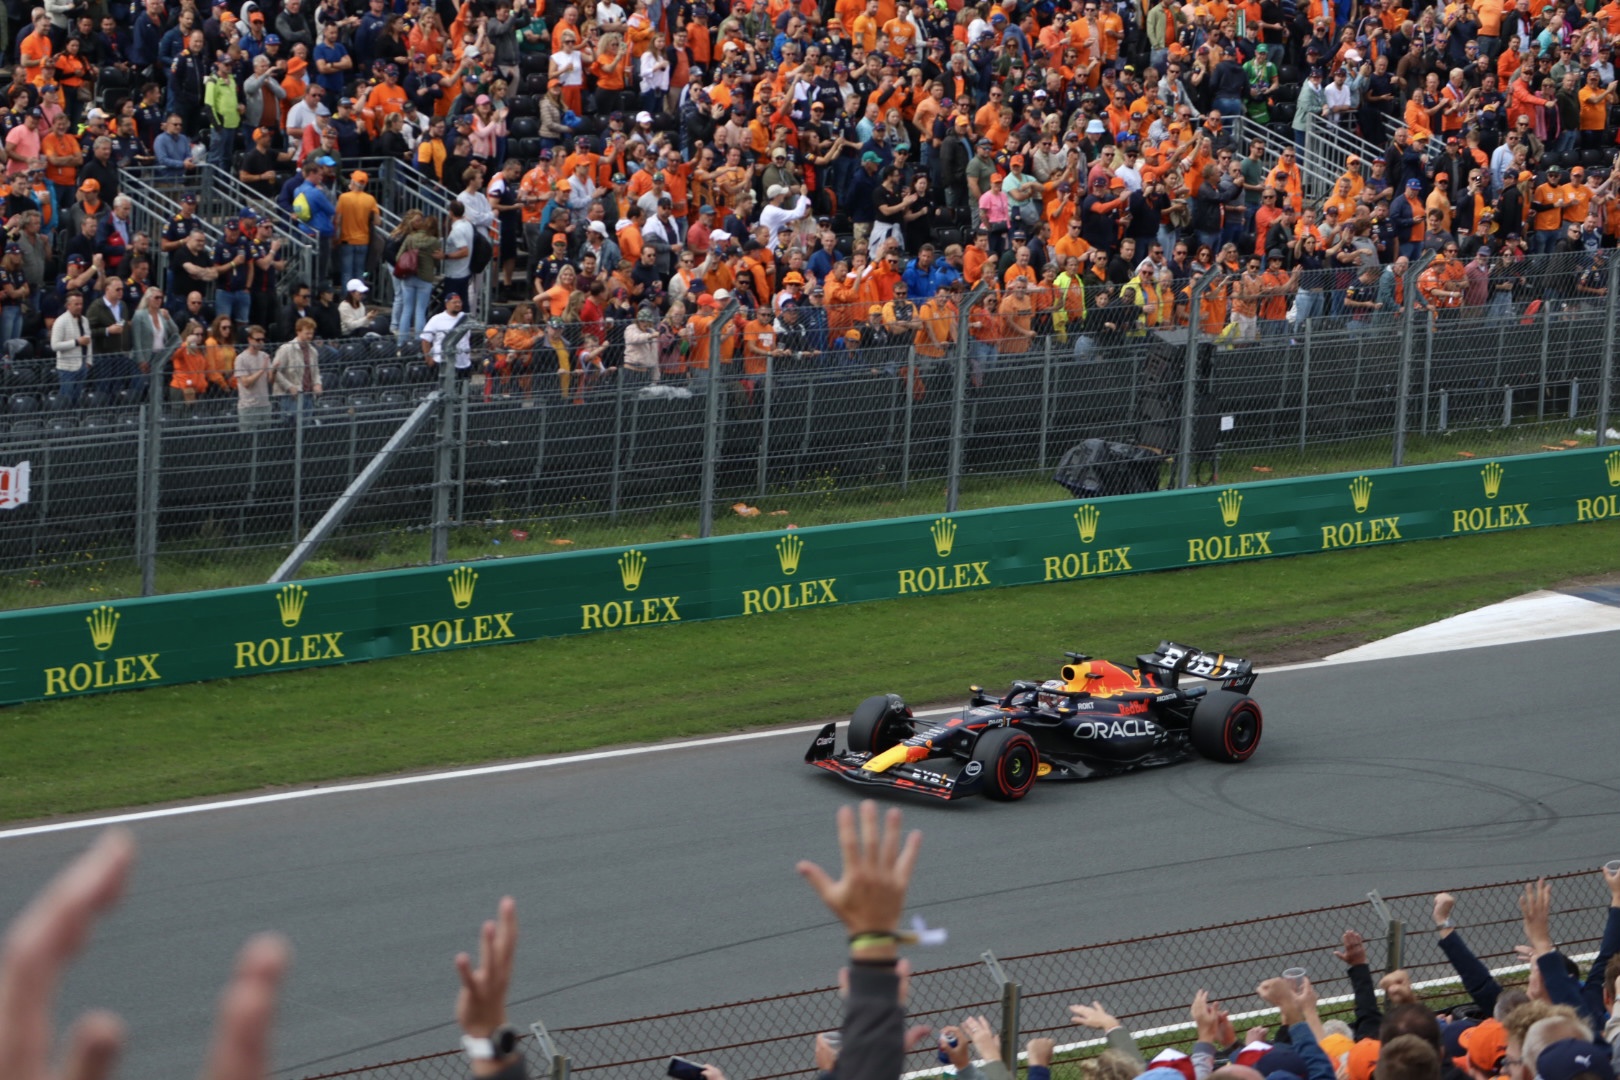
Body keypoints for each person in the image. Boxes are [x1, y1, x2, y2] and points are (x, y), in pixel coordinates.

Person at [271, 315, 323, 423]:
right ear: (298, 332)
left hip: (308, 395)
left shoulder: (313, 351)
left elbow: (316, 372)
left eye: (311, 333)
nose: (310, 336)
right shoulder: (286, 349)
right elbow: (275, 372)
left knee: (305, 426)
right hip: (290, 397)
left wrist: (317, 383)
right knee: (291, 426)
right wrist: (289, 387)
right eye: (307, 333)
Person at [335, 169, 379, 288]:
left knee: (346, 273)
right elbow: (377, 221)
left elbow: (337, 220)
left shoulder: (344, 198)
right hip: (363, 241)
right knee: (359, 273)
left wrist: (335, 238)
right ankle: (359, 297)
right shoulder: (370, 199)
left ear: (353, 182)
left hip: (346, 240)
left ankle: (347, 297)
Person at [50, 289, 92, 406]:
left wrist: (89, 361)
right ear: (68, 305)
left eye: (81, 304)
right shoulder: (60, 321)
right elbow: (54, 345)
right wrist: (76, 342)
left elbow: (89, 341)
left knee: (78, 399)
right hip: (67, 368)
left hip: (82, 365)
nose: (79, 307)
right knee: (66, 399)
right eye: (76, 304)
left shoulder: (84, 320)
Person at [420, 292, 473, 376]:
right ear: (447, 304)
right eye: (454, 302)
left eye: (459, 302)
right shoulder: (437, 319)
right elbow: (425, 340)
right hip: (443, 362)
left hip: (464, 364)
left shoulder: (466, 318)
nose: (457, 304)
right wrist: (429, 359)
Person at [234, 324, 274, 430]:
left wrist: (274, 371)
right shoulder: (241, 358)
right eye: (257, 340)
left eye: (263, 339)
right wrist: (261, 371)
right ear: (250, 340)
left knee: (265, 436)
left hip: (264, 404)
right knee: (248, 436)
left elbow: (270, 380)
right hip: (248, 406)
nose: (261, 342)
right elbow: (245, 383)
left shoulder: (265, 356)